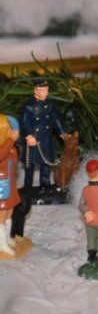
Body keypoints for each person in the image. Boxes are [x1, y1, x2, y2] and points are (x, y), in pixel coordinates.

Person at [20, 78, 69, 189]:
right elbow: (24, 122)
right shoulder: (28, 105)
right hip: (33, 139)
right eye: (43, 90)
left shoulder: (50, 103)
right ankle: (27, 187)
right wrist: (29, 136)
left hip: (46, 138)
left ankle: (45, 186)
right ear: (36, 90)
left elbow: (56, 118)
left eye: (47, 90)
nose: (45, 93)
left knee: (46, 163)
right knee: (30, 164)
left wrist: (62, 132)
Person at [0, 115, 21, 255]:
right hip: (1, 184)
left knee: (9, 212)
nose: (14, 132)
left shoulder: (11, 146)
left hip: (10, 182)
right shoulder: (6, 145)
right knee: (1, 214)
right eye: (11, 129)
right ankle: (1, 244)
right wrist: (11, 140)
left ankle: (7, 238)